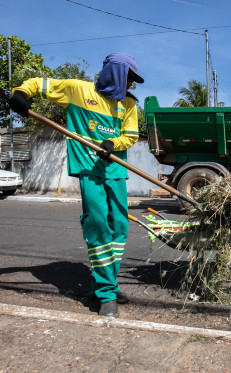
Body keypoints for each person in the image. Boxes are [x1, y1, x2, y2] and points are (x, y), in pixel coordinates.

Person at [9, 53, 144, 318]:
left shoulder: (127, 104)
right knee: (97, 224)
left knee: (120, 226)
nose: (131, 85)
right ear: (116, 73)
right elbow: (38, 83)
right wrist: (21, 94)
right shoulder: (78, 90)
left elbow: (130, 135)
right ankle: (106, 293)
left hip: (116, 169)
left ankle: (105, 284)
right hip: (88, 169)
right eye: (129, 78)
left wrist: (113, 144)